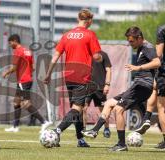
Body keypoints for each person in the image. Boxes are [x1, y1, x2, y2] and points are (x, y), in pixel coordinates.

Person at [82, 26, 161, 151]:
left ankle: (121, 144)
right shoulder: (141, 47)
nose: (130, 44)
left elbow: (157, 62)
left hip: (143, 86)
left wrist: (138, 68)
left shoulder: (148, 47)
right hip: (138, 86)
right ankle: (95, 131)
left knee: (119, 109)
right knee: (109, 103)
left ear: (139, 38)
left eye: (131, 41)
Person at [44, 9, 103, 147]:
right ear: (88, 20)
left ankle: (80, 140)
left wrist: (48, 74)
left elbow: (55, 56)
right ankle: (57, 131)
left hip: (68, 76)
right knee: (77, 108)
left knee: (78, 108)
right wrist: (99, 58)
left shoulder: (67, 35)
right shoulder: (90, 34)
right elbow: (96, 56)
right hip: (82, 76)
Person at [3, 34, 52, 132]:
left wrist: (6, 73)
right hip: (27, 79)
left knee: (25, 103)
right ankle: (15, 127)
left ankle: (44, 121)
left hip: (23, 80)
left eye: (10, 43)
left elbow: (14, 67)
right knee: (16, 102)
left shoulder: (18, 51)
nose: (10, 45)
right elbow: (33, 67)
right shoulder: (28, 51)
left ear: (14, 41)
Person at [135, 25, 165, 149]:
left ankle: (147, 118)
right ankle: (147, 117)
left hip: (163, 73)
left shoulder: (162, 30)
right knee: (154, 89)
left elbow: (158, 55)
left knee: (162, 107)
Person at [83, 51, 112, 138]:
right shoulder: (86, 54)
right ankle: (83, 129)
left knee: (103, 109)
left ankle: (106, 128)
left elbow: (108, 70)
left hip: (100, 87)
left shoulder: (103, 54)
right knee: (83, 108)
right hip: (88, 86)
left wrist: (107, 84)